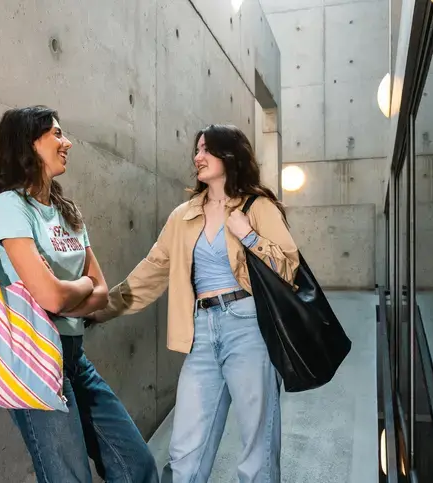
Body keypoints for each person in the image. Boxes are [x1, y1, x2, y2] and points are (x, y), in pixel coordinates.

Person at [89, 124, 300, 483]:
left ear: (229, 155)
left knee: (257, 448)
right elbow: (151, 272)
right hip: (201, 333)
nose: (197, 157)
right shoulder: (183, 216)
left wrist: (247, 234)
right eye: (197, 150)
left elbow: (289, 268)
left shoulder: (258, 207)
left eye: (206, 149)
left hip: (249, 327)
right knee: (185, 451)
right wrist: (98, 308)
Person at [0, 106, 158, 483]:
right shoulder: (10, 206)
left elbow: (101, 292)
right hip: (35, 361)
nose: (68, 143)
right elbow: (54, 298)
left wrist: (71, 291)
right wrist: (79, 288)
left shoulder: (67, 212)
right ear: (30, 144)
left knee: (137, 466)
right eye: (57, 134)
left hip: (75, 357)